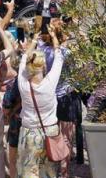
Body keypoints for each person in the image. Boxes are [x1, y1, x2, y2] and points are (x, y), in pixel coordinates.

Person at [17, 30, 64, 177]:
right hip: (49, 131)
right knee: (49, 172)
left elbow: (23, 58)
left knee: (28, 171)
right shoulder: (50, 83)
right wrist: (54, 37)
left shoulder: (23, 83)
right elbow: (59, 57)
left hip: (29, 131)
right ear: (43, 67)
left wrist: (34, 41)